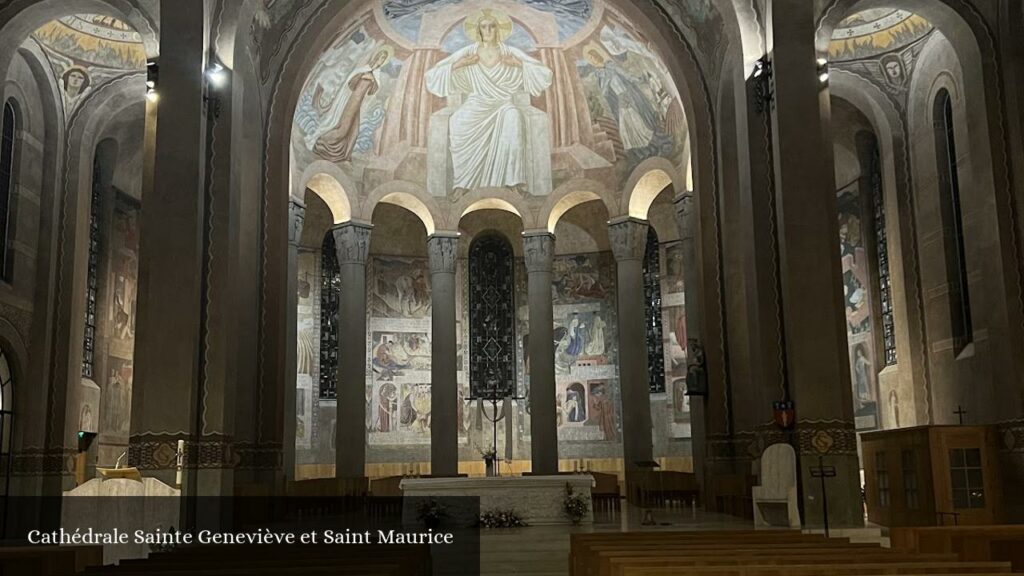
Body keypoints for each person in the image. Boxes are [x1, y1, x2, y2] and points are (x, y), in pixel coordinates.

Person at [425, 9, 552, 193]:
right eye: (484, 26)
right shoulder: (468, 52)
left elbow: (545, 73)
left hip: (503, 104)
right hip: (476, 103)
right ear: (478, 30)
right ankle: (463, 184)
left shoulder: (509, 51)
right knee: (457, 122)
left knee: (514, 118)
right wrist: (461, 64)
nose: (488, 30)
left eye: (492, 26)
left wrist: (517, 64)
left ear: (498, 29)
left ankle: (513, 182)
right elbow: (432, 75)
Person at [311, 45, 393, 162]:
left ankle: (345, 155)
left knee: (354, 132)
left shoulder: (376, 74)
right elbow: (350, 83)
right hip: (351, 102)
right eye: (381, 57)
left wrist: (372, 79)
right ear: (377, 57)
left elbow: (373, 91)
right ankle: (321, 143)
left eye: (384, 59)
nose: (382, 60)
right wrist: (364, 76)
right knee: (343, 129)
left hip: (358, 105)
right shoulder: (365, 69)